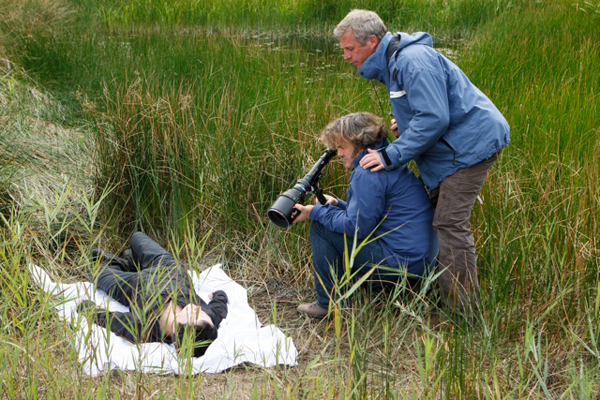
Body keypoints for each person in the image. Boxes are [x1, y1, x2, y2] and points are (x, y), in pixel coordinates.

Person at [333, 9, 510, 316]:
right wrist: (406, 124)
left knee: (448, 224)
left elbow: (435, 118)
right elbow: (428, 112)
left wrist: (390, 154)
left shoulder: (411, 62)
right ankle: (434, 299)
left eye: (350, 49)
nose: (347, 56)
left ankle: (464, 315)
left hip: (469, 148)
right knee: (438, 219)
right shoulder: (394, 64)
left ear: (372, 41)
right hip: (454, 148)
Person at [293, 112, 435, 319]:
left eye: (342, 147)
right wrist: (336, 204)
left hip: (404, 264)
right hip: (422, 260)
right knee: (325, 216)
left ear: (360, 143)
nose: (339, 153)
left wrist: (315, 212)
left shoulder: (367, 172)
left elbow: (357, 227)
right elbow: (374, 215)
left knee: (321, 226)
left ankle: (329, 305)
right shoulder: (386, 158)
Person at [78, 232, 228, 357]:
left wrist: (87, 308)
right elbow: (219, 306)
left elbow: (106, 318)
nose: (197, 308)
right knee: (137, 237)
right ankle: (131, 260)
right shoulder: (210, 320)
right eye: (201, 312)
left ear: (179, 328)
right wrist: (218, 294)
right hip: (169, 269)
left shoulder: (144, 329)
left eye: (194, 314)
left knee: (97, 269)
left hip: (134, 285)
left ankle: (127, 264)